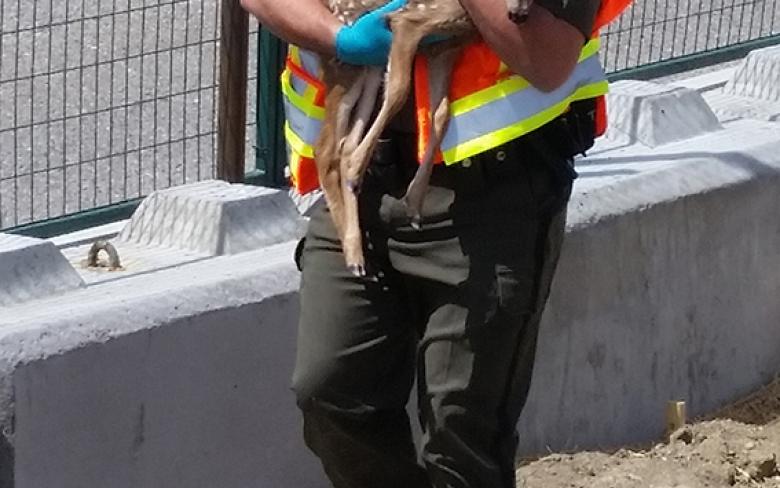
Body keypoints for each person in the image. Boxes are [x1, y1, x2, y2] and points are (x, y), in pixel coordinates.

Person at [241, 0, 625, 486]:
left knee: (461, 433)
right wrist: (338, 39)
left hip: (487, 195)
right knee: (331, 391)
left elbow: (547, 61)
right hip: (358, 184)